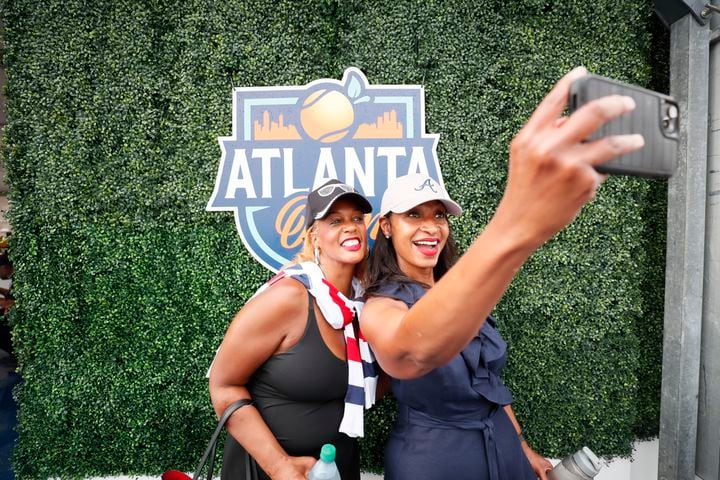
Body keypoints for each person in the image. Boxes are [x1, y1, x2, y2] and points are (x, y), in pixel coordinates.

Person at [359, 67, 644, 480]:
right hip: (434, 462)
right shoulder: (381, 303)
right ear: (386, 226)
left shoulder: (460, 288)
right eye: (412, 215)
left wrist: (522, 446)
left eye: (439, 215)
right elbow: (412, 350)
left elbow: (488, 383)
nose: (430, 226)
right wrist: (517, 225)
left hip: (502, 451)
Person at [208, 179, 378, 480]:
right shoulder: (288, 297)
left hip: (336, 468)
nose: (351, 227)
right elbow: (224, 386)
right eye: (335, 220)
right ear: (315, 236)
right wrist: (280, 467)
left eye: (356, 219)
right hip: (267, 472)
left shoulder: (363, 304)